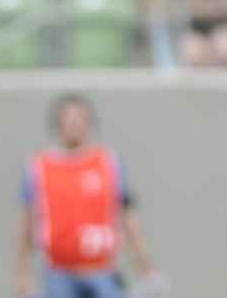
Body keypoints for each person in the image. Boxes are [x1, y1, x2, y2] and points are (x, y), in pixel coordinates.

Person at [16, 94, 159, 298]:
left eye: (80, 119)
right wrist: (22, 273)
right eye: (68, 119)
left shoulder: (108, 163)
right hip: (59, 272)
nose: (74, 125)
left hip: (101, 270)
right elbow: (27, 223)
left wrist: (145, 266)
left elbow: (127, 217)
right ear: (58, 124)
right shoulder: (39, 167)